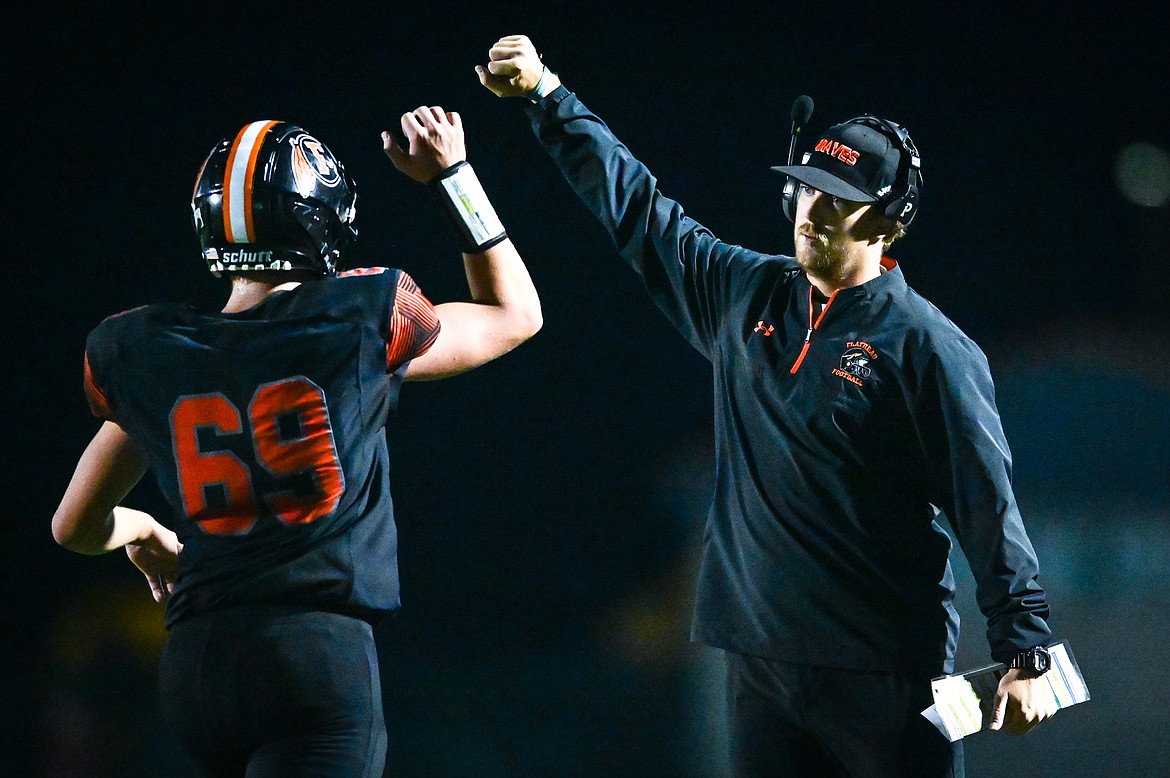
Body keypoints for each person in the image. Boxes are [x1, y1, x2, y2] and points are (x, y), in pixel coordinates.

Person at [477, 35, 1057, 777]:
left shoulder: (929, 349)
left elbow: (987, 505)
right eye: (808, 188)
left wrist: (1026, 649)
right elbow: (636, 207)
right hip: (759, 665)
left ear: (886, 223)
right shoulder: (745, 291)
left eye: (838, 200)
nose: (811, 209)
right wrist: (548, 98)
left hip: (884, 674)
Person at [51, 105, 541, 776]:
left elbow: (73, 525)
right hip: (313, 655)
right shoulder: (362, 322)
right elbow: (514, 314)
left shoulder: (147, 353)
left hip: (196, 666)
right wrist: (453, 175)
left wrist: (140, 530)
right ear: (323, 215)